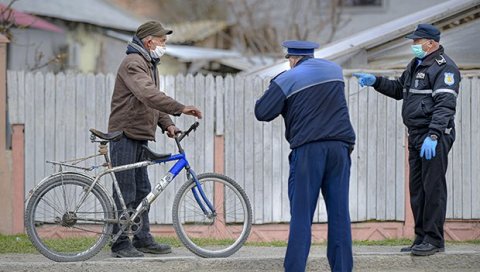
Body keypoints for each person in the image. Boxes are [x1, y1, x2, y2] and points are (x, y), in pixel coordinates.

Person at [353, 23, 460, 256]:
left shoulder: (445, 68)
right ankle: (421, 237)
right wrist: (376, 81)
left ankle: (434, 240)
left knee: (433, 188)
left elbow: (445, 105)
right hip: (416, 135)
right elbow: (399, 89)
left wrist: (434, 134)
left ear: (430, 43)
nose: (413, 46)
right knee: (417, 189)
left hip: (434, 136)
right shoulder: (416, 64)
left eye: (416, 42)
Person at [255, 40, 356, 272]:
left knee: (301, 214)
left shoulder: (287, 78)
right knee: (340, 213)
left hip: (309, 150)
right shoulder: (335, 70)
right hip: (340, 147)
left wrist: (276, 86)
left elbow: (262, 112)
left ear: (292, 59)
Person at [108, 21, 202, 258]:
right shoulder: (133, 63)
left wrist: (168, 123)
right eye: (163, 41)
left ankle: (142, 238)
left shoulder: (148, 63)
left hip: (138, 134)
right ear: (149, 41)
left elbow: (150, 102)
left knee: (142, 190)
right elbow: (148, 94)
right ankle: (119, 243)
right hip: (124, 134)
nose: (164, 45)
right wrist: (180, 108)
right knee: (125, 190)